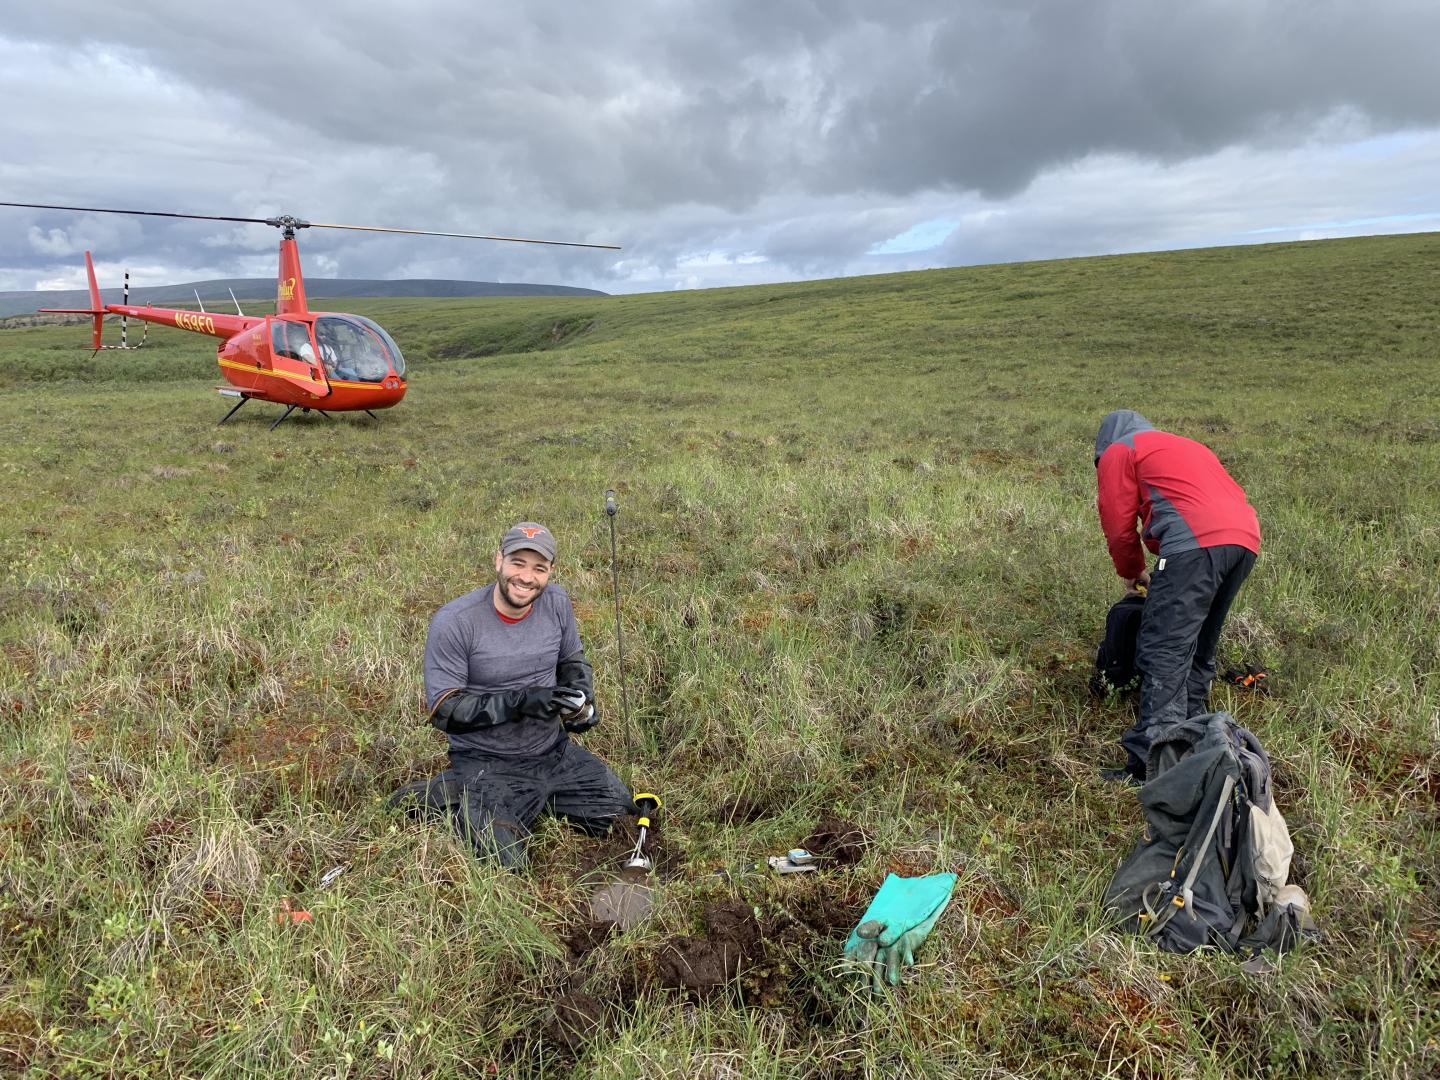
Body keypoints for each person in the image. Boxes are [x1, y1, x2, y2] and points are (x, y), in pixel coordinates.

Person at [397, 521, 634, 868]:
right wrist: (522, 702)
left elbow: (572, 660)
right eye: (517, 563)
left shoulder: (556, 602)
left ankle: (527, 799)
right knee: (505, 863)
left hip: (552, 753)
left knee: (622, 815)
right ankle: (446, 797)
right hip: (487, 762)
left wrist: (581, 702)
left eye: (539, 568)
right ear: (499, 560)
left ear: (550, 571)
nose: (526, 577)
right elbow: (445, 710)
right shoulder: (455, 621)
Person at [1094, 410, 1261, 782]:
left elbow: (1117, 522)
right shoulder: (1184, 445)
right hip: (1245, 538)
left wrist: (1131, 571)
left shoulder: (1119, 451)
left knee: (1163, 648)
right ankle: (1198, 740)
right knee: (1199, 644)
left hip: (1195, 542)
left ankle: (1154, 767)